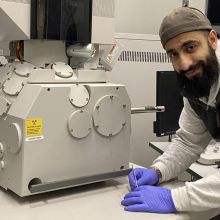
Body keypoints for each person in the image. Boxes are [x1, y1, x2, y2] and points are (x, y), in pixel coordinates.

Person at [121, 6, 220, 214]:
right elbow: (189, 142)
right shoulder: (199, 84)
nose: (184, 64)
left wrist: (175, 199)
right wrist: (158, 171)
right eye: (173, 54)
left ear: (212, 40)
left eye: (191, 47)